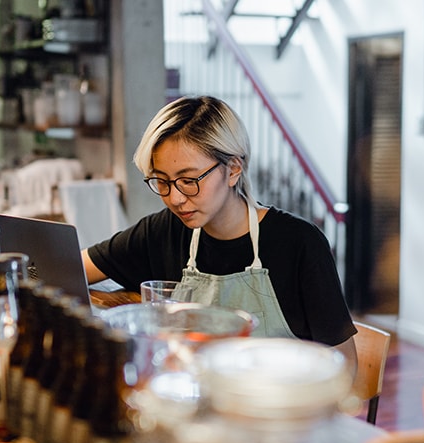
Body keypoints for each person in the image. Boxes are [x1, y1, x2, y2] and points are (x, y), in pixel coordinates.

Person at [82, 95, 357, 369]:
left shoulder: (299, 243)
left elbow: (345, 368)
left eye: (189, 181)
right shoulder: (164, 229)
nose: (175, 198)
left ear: (233, 169)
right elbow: (74, 267)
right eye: (162, 181)